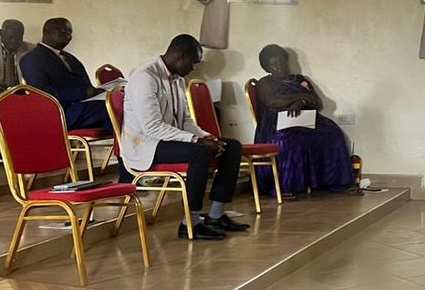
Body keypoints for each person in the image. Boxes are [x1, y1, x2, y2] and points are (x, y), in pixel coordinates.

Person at [120, 34, 249, 241]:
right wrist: (196, 141)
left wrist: (208, 137)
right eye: (194, 62)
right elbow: (152, 127)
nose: (195, 67)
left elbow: (186, 120)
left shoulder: (178, 79)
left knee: (231, 146)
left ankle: (216, 215)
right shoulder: (145, 78)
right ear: (181, 56)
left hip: (168, 139)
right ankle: (191, 222)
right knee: (199, 153)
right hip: (146, 145)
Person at [254, 44, 356, 195]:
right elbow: (272, 102)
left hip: (306, 119)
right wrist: (301, 97)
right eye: (273, 65)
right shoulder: (264, 82)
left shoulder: (300, 79)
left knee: (332, 132)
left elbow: (318, 103)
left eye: (282, 62)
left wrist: (301, 103)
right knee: (290, 140)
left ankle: (336, 182)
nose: (279, 67)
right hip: (278, 123)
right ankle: (285, 187)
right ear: (267, 68)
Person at [19, 18, 111, 131]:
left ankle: (123, 146)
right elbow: (42, 92)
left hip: (81, 108)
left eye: (70, 31)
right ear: (46, 32)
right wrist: (84, 92)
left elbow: (86, 85)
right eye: (62, 30)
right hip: (60, 112)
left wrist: (97, 92)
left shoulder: (71, 58)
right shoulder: (32, 59)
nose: (67, 33)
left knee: (119, 107)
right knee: (113, 108)